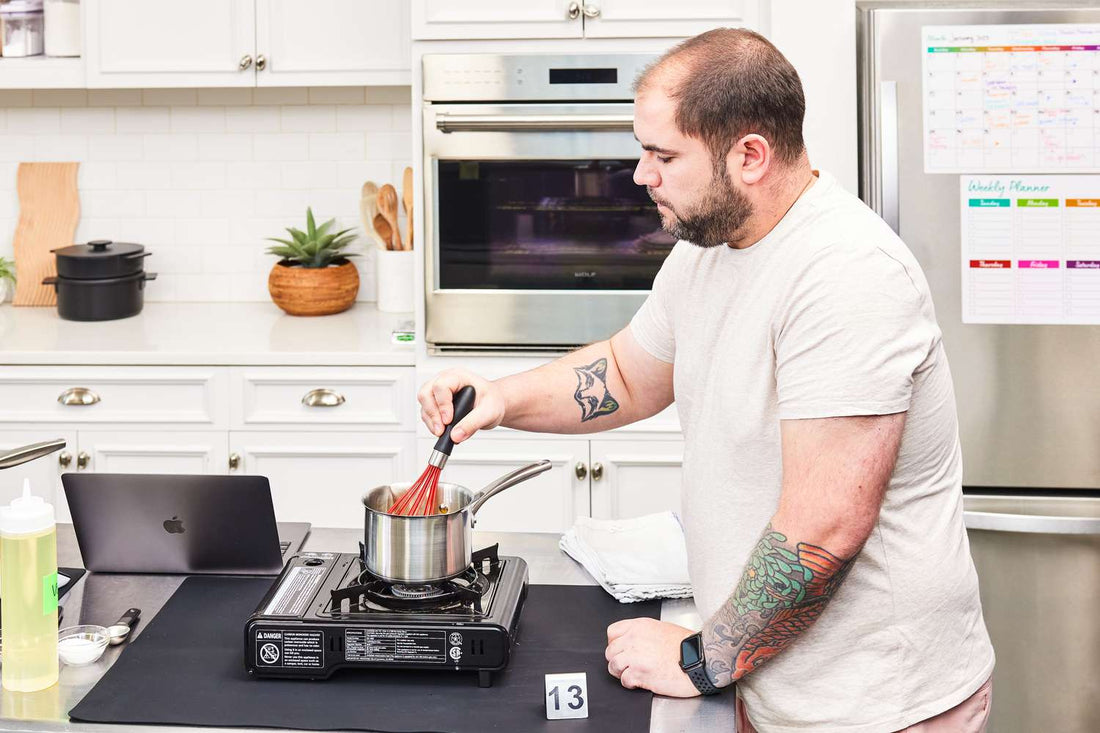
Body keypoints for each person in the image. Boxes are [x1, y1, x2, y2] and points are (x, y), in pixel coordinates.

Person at [417, 28, 994, 733]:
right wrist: (502, 398)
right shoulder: (709, 251)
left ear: (750, 155)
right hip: (772, 678)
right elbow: (629, 373)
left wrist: (699, 659)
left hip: (876, 703)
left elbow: (824, 529)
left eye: (663, 155)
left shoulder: (847, 274)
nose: (640, 174)